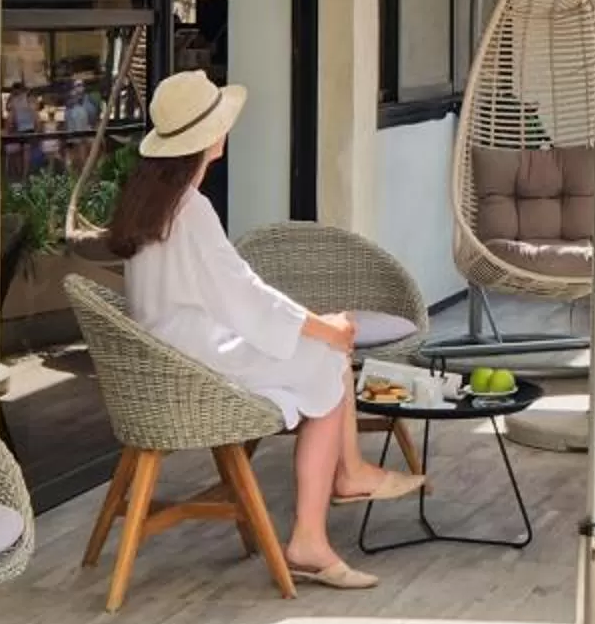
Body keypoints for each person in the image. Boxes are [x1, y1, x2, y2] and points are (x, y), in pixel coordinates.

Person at [106, 71, 419, 591]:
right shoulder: (191, 209)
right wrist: (322, 327)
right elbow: (242, 294)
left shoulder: (148, 203)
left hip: (165, 363)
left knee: (323, 350)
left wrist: (313, 327)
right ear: (211, 137)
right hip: (199, 364)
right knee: (329, 359)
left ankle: (349, 474)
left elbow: (225, 295)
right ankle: (315, 530)